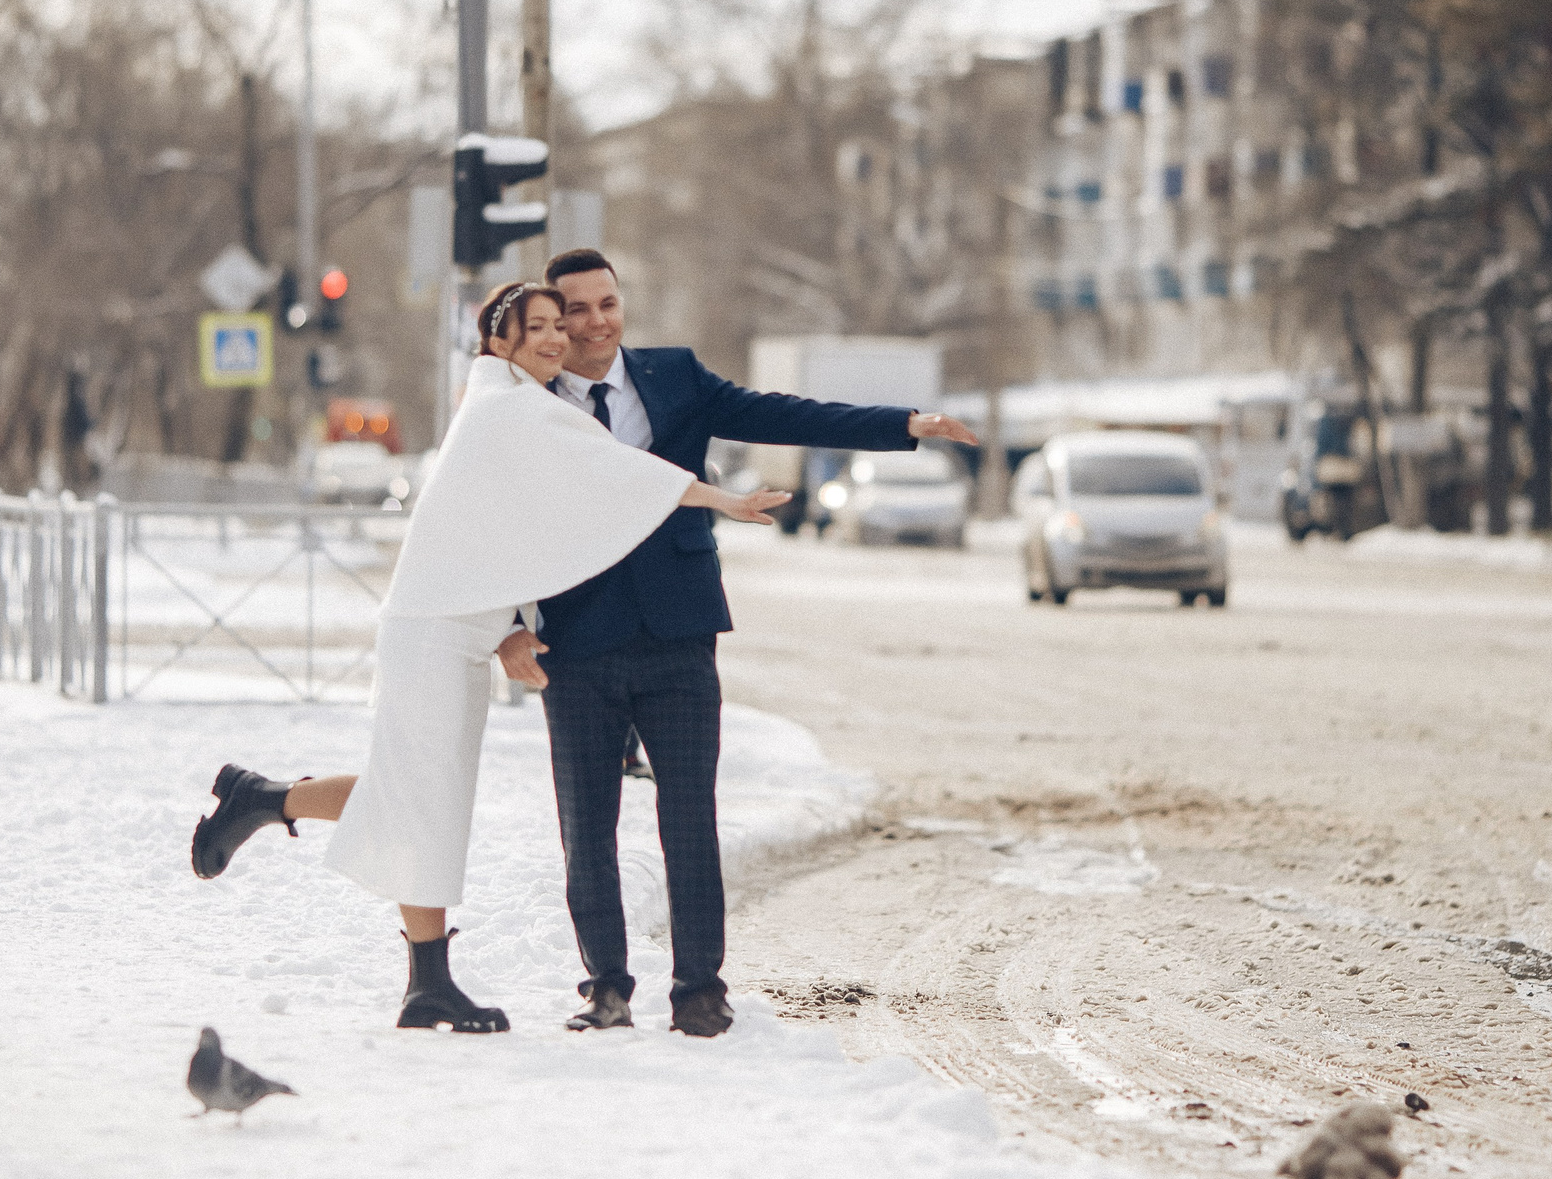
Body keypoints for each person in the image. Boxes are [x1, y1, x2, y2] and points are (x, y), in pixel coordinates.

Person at [185, 281, 790, 1035]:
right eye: (536, 328)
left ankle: (286, 822)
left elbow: (525, 530)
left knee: (420, 798)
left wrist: (514, 625)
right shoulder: (513, 407)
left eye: (557, 326)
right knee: (421, 801)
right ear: (498, 342)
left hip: (455, 637)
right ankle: (396, 947)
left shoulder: (508, 405)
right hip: (433, 634)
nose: (555, 339)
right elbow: (617, 474)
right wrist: (719, 499)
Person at [519, 248, 978, 1038]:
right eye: (577, 310)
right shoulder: (526, 401)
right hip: (577, 638)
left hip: (680, 632)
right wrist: (506, 629)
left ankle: (700, 988)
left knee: (690, 819)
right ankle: (606, 988)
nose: (596, 323)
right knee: (587, 829)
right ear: (554, 321)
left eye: (607, 304)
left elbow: (783, 414)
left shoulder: (674, 376)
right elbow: (496, 517)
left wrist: (904, 424)